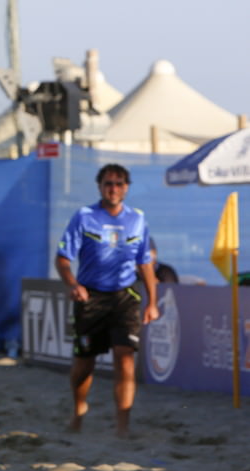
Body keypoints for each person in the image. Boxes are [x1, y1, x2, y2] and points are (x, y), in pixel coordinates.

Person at [55, 163, 159, 437]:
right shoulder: (85, 216)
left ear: (126, 187)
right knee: (84, 363)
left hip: (125, 296)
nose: (114, 188)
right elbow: (63, 259)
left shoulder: (137, 218)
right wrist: (73, 284)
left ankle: (122, 425)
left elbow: (146, 263)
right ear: (100, 187)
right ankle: (78, 410)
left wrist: (152, 302)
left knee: (125, 358)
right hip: (90, 296)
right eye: (108, 183)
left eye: (119, 183)